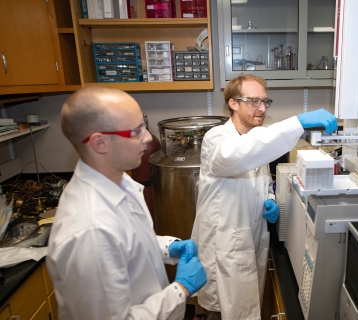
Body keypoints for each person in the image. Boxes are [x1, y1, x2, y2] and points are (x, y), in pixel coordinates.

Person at [47, 86, 207, 320]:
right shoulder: (89, 230)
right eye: (136, 131)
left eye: (143, 125)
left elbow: (125, 243)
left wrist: (166, 247)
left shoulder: (120, 182)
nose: (148, 138)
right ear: (100, 143)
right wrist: (181, 289)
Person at [191, 73, 338, 319]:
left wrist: (269, 198)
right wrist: (298, 122)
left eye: (265, 102)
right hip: (225, 245)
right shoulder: (217, 139)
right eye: (254, 101)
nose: (261, 108)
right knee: (221, 311)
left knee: (244, 306)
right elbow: (236, 157)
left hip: (250, 240)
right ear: (233, 103)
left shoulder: (253, 138)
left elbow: (260, 179)